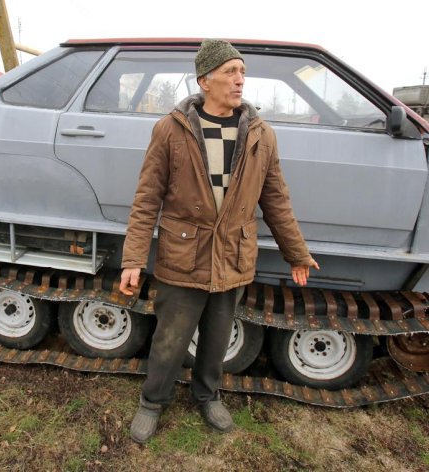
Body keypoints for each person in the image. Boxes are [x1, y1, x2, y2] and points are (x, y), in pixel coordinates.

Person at [118, 39, 319, 444]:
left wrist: (297, 253)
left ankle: (208, 395)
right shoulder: (171, 129)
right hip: (183, 254)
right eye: (230, 71)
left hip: (232, 255)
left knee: (217, 337)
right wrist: (133, 259)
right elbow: (147, 199)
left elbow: (276, 200)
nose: (240, 79)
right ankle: (152, 401)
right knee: (170, 338)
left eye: (242, 72)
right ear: (204, 80)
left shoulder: (261, 135)